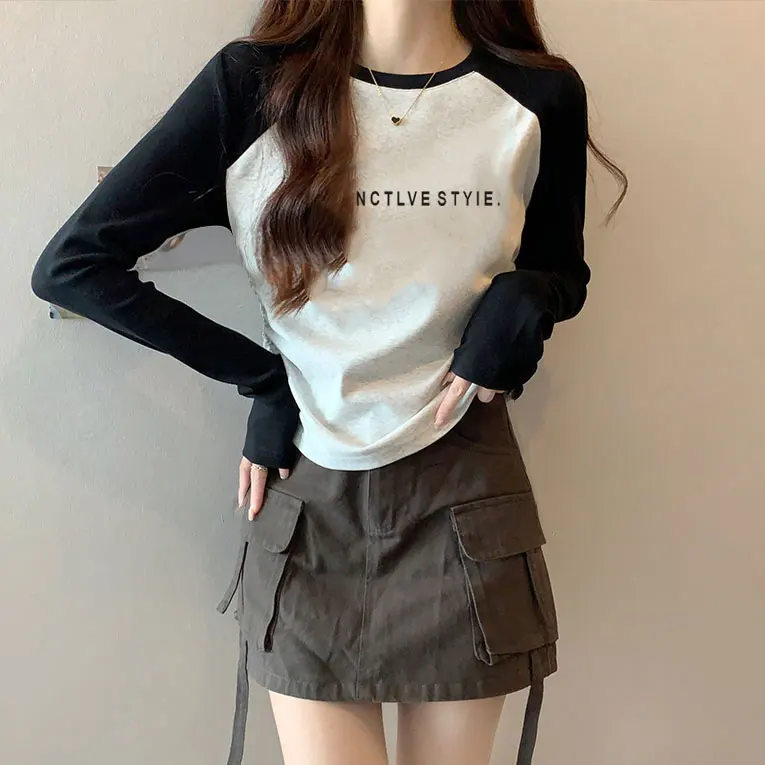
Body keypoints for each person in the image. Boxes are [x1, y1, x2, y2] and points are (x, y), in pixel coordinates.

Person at [30, 1, 627, 764]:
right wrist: (261, 380)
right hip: (307, 488)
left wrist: (526, 297)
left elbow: (562, 269)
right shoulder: (253, 86)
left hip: (463, 482)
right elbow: (75, 265)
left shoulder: (538, 95)